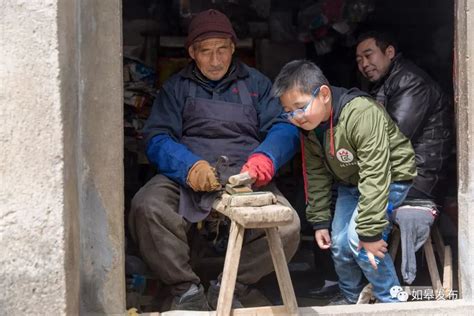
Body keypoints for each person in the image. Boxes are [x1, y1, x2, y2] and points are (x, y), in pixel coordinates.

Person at [128, 9, 301, 311]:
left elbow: (284, 126)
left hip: (245, 178)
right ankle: (185, 289)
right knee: (147, 206)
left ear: (233, 48)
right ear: (192, 53)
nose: (216, 60)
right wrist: (189, 167)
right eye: (206, 52)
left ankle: (233, 285)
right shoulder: (176, 87)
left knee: (288, 225)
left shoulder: (257, 84)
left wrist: (264, 160)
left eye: (222, 49)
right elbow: (156, 136)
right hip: (189, 176)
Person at [272, 60, 417, 304]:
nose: (295, 117)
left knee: (358, 240)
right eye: (288, 112)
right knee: (338, 244)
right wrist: (319, 221)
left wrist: (370, 232)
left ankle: (391, 301)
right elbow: (316, 173)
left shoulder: (361, 113)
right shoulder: (310, 127)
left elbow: (376, 173)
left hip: (390, 179)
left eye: (299, 107)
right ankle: (351, 299)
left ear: (324, 94)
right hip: (352, 184)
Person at [355, 31, 453, 203]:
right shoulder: (386, 83)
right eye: (359, 60)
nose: (364, 64)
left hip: (417, 179)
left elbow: (395, 137)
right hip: (401, 174)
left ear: (389, 53)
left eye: (368, 55)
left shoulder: (411, 82)